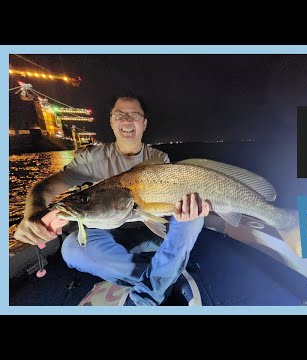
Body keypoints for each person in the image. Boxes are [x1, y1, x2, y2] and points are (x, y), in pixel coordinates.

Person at [13, 93, 210, 306]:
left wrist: (186, 211)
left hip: (152, 234)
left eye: (134, 115)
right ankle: (167, 277)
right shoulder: (92, 159)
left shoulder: (159, 159)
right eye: (120, 114)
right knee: (72, 248)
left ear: (144, 123)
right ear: (111, 121)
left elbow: (165, 212)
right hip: (111, 237)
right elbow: (45, 187)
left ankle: (156, 283)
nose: (127, 120)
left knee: (194, 218)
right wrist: (33, 212)